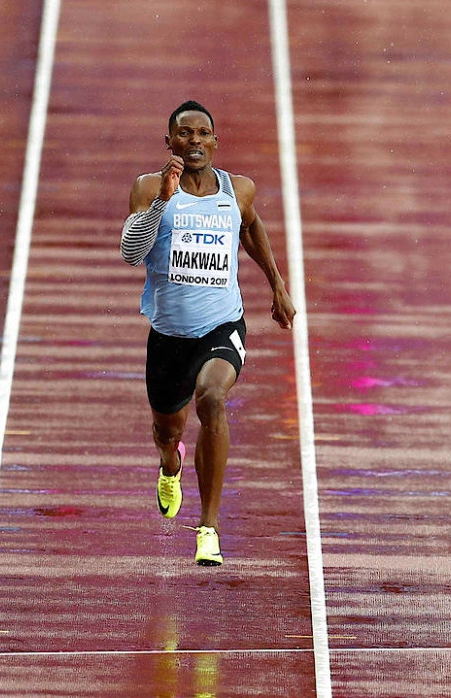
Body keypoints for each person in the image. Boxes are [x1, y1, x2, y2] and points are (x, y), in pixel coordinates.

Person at [120, 100, 295, 565]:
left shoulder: (237, 190)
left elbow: (252, 229)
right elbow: (131, 253)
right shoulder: (148, 188)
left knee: (213, 398)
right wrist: (163, 200)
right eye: (184, 134)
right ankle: (170, 464)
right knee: (166, 429)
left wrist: (277, 285)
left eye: (203, 134)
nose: (194, 141)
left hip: (222, 325)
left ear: (215, 143)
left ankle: (210, 527)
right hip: (168, 335)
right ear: (170, 143)